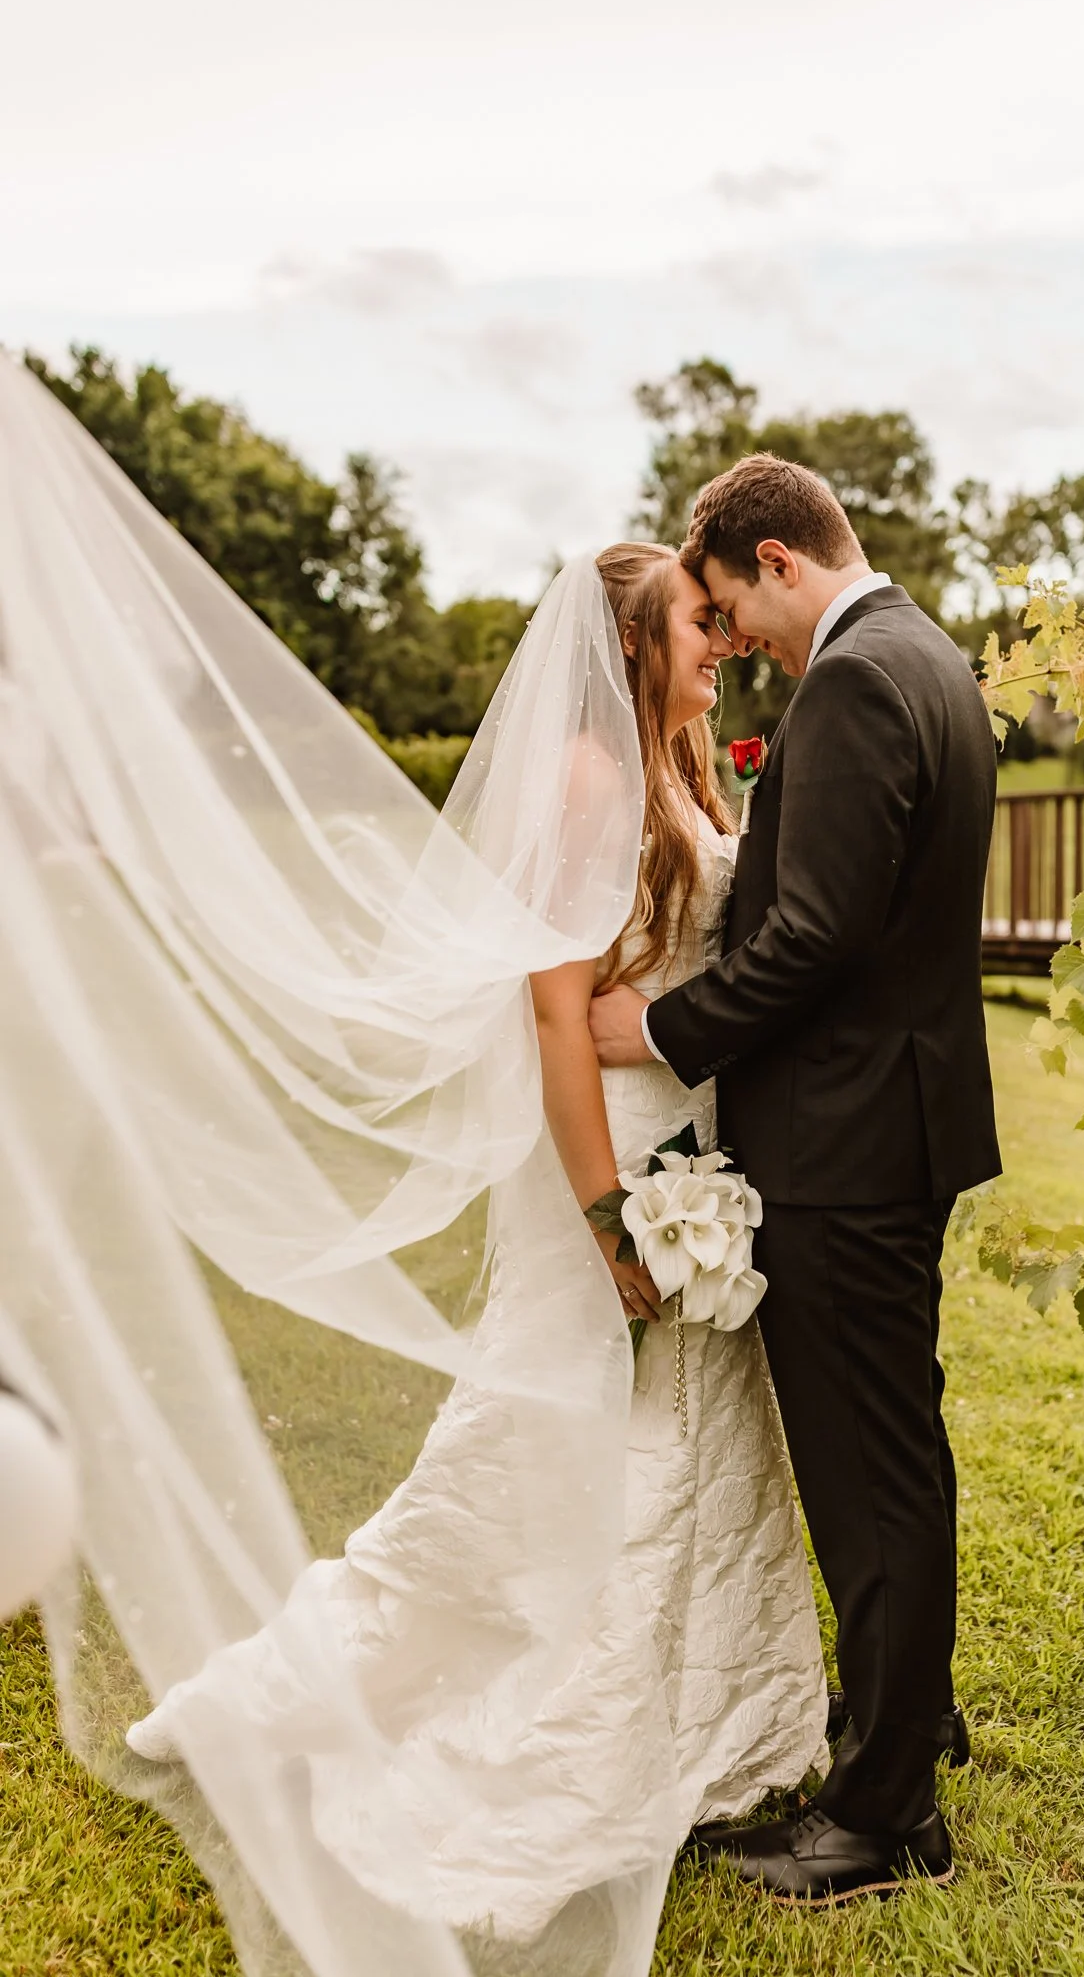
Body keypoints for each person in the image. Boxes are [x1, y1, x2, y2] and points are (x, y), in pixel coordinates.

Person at [126, 541, 829, 1939]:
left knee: (693, 1442)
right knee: (543, 1448)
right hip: (619, 1152)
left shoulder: (689, 768)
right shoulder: (585, 782)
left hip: (697, 1136)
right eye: (700, 624)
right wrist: (604, 1213)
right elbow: (557, 1014)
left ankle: (714, 1732)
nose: (722, 644)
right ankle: (364, 1705)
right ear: (633, 641)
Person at [590, 456, 1002, 1903]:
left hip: (845, 1149)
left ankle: (878, 1817)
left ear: (774, 560)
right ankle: (904, 1718)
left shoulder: (852, 680)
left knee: (867, 1468)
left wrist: (654, 1026)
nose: (731, 640)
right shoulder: (928, 656)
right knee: (900, 1447)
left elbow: (814, 933)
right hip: (900, 1126)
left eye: (724, 603)